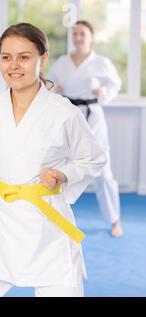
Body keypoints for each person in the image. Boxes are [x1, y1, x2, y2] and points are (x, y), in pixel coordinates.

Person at [0, 23, 106, 297]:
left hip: (48, 230)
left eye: (24, 57)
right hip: (0, 225)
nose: (14, 65)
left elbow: (94, 158)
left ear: (43, 58)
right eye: (6, 57)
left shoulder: (63, 112)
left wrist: (64, 174)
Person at [49, 20, 123, 237]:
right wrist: (56, 90)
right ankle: (55, 217)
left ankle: (115, 219)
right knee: (60, 164)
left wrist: (102, 92)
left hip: (93, 115)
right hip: (69, 114)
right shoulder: (62, 62)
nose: (78, 38)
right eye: (75, 34)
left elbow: (115, 85)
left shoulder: (101, 62)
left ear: (91, 38)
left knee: (103, 169)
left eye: (83, 34)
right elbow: (48, 84)